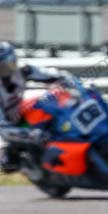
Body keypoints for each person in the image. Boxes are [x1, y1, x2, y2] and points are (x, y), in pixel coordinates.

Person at [0, 42, 69, 173]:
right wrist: (26, 134)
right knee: (7, 160)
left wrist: (64, 78)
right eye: (2, 67)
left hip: (24, 113)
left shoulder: (24, 70)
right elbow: (2, 126)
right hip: (6, 124)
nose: (7, 69)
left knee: (54, 109)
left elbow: (47, 74)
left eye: (9, 63)